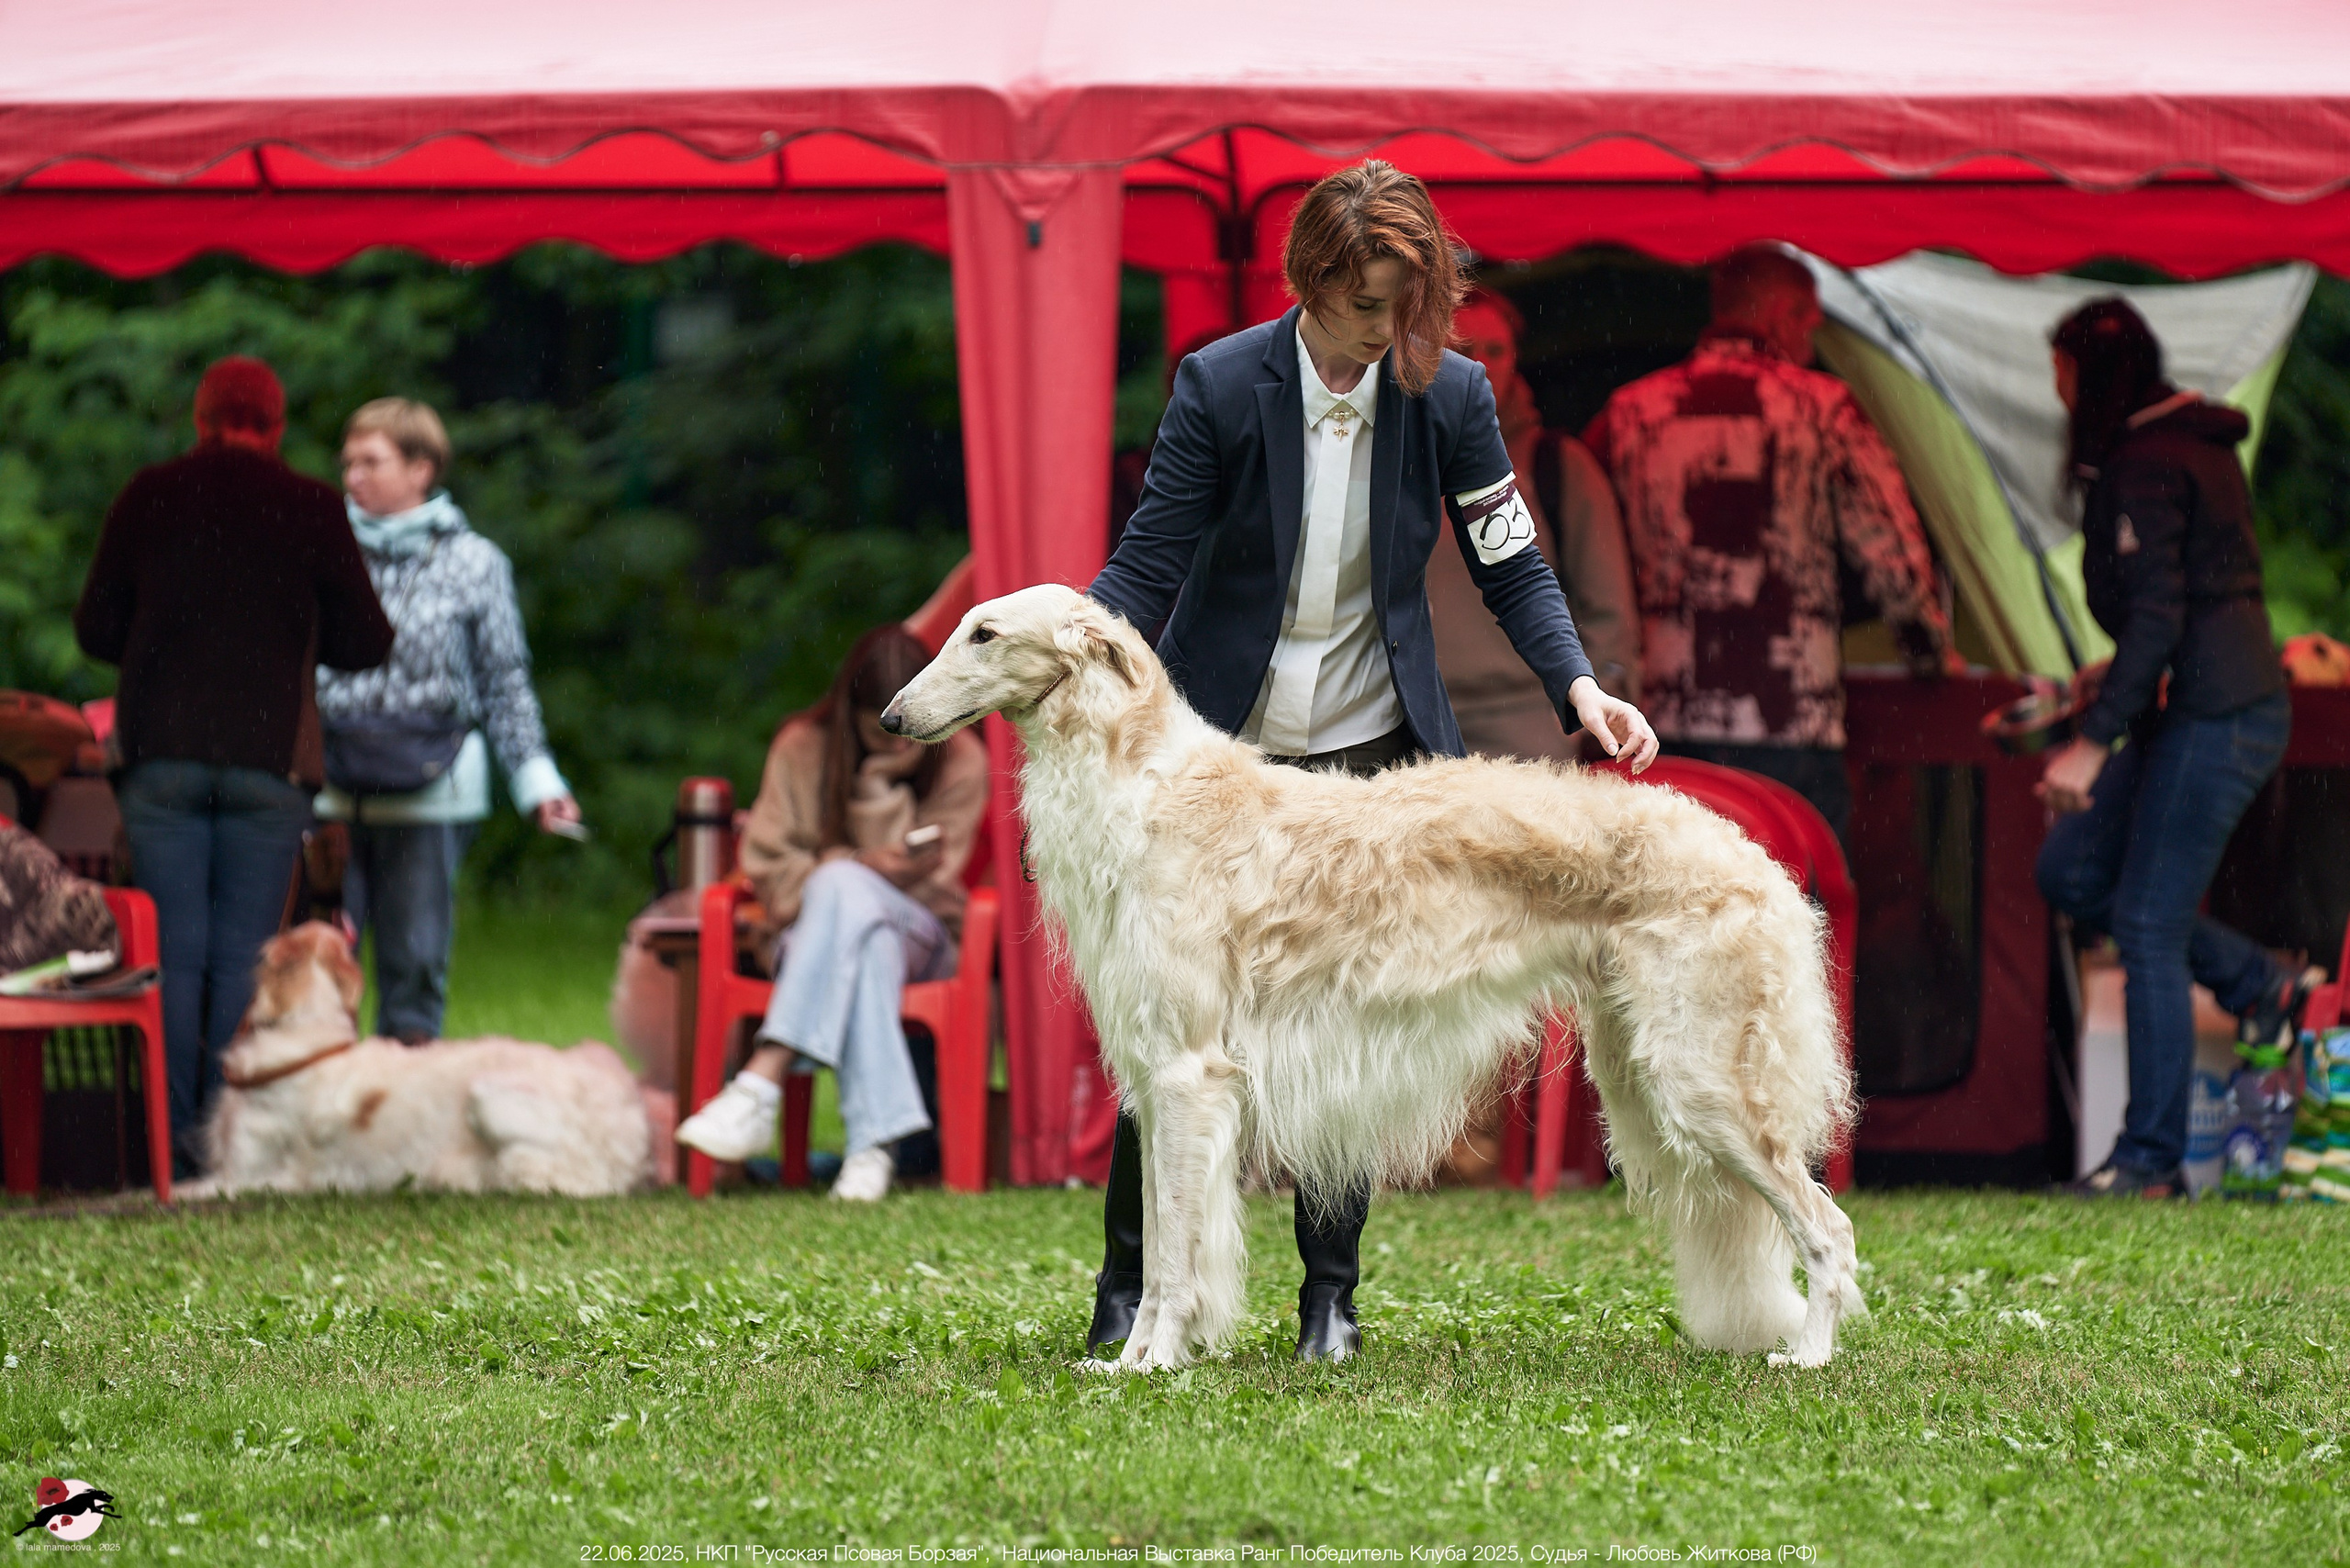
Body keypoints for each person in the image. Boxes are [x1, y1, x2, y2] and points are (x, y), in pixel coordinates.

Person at [1088, 160, 1657, 1361]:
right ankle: (1129, 1292)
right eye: (1368, 305)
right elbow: (1149, 564)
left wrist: (1579, 686)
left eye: (1410, 302)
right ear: (1312, 286)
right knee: (1171, 1038)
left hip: (1366, 756)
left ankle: (1328, 1302)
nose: (1390, 329)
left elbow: (1512, 562)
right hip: (1220, 759)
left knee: (1341, 1033)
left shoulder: (1448, 392)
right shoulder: (1221, 383)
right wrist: (1079, 663)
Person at [73, 357, 394, 1174]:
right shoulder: (312, 506)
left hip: (160, 757)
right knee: (242, 957)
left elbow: (94, 629)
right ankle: (226, 1150)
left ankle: (168, 1153)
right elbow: (370, 640)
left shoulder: (150, 495)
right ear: (277, 426)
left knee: (171, 957)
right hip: (268, 765)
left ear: (200, 418)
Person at [2034, 298, 2317, 1199]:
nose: (2055, 394)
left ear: (2089, 378)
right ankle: (2257, 979)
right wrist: (2102, 692)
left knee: (2149, 923)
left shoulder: (2149, 460)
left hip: (2219, 714)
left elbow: (2160, 615)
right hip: (2191, 705)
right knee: (2072, 871)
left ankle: (2148, 1163)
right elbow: (2184, 603)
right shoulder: (2183, 446)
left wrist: (2087, 742)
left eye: (2062, 375)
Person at [1583, 244, 1959, 841]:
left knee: (1681, 903)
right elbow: (1890, 550)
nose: (1812, 337)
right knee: (1797, 893)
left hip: (1664, 714)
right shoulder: (1823, 407)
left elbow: (1583, 554)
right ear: (1781, 316)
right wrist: (1931, 656)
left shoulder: (1631, 411)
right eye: (1809, 320)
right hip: (1793, 718)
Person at [674, 625, 989, 1201]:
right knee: (862, 934)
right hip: (811, 932)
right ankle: (872, 1151)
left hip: (922, 933)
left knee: (845, 887)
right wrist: (870, 862)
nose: (900, 741)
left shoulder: (961, 756)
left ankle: (760, 1081)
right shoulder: (803, 746)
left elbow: (934, 884)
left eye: (907, 725)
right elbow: (769, 866)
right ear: (851, 711)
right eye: (882, 730)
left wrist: (875, 792)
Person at [315, 398, 581, 1044]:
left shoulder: (475, 562)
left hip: (432, 795)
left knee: (414, 969)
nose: (353, 476)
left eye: (371, 461)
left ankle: (403, 1119)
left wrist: (538, 782)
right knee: (317, 974)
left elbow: (503, 679)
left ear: (422, 468)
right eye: (348, 461)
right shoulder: (321, 551)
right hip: (329, 791)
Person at [1436, 287, 1641, 759]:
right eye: (1465, 350)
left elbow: (1608, 610)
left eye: (1496, 350)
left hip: (1530, 725)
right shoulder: (1397, 459)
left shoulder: (1558, 466)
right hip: (1417, 718)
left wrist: (1588, 708)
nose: (1482, 365)